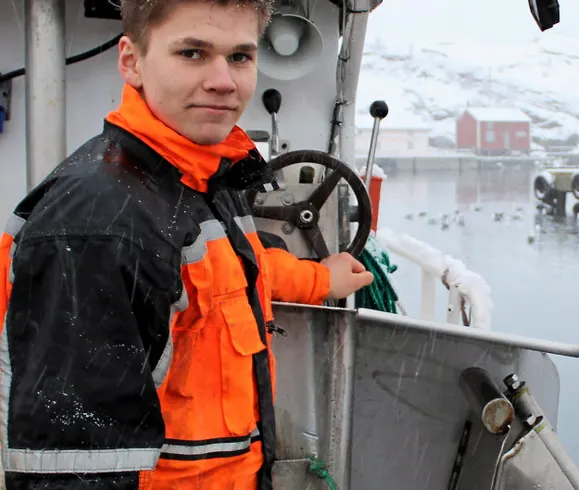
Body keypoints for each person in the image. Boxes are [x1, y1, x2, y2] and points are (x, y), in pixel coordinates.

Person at [0, 0, 373, 488]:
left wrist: (322, 278)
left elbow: (235, 275)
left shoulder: (201, 176)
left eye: (240, 56)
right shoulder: (100, 226)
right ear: (131, 61)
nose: (224, 81)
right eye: (193, 53)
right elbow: (73, 471)